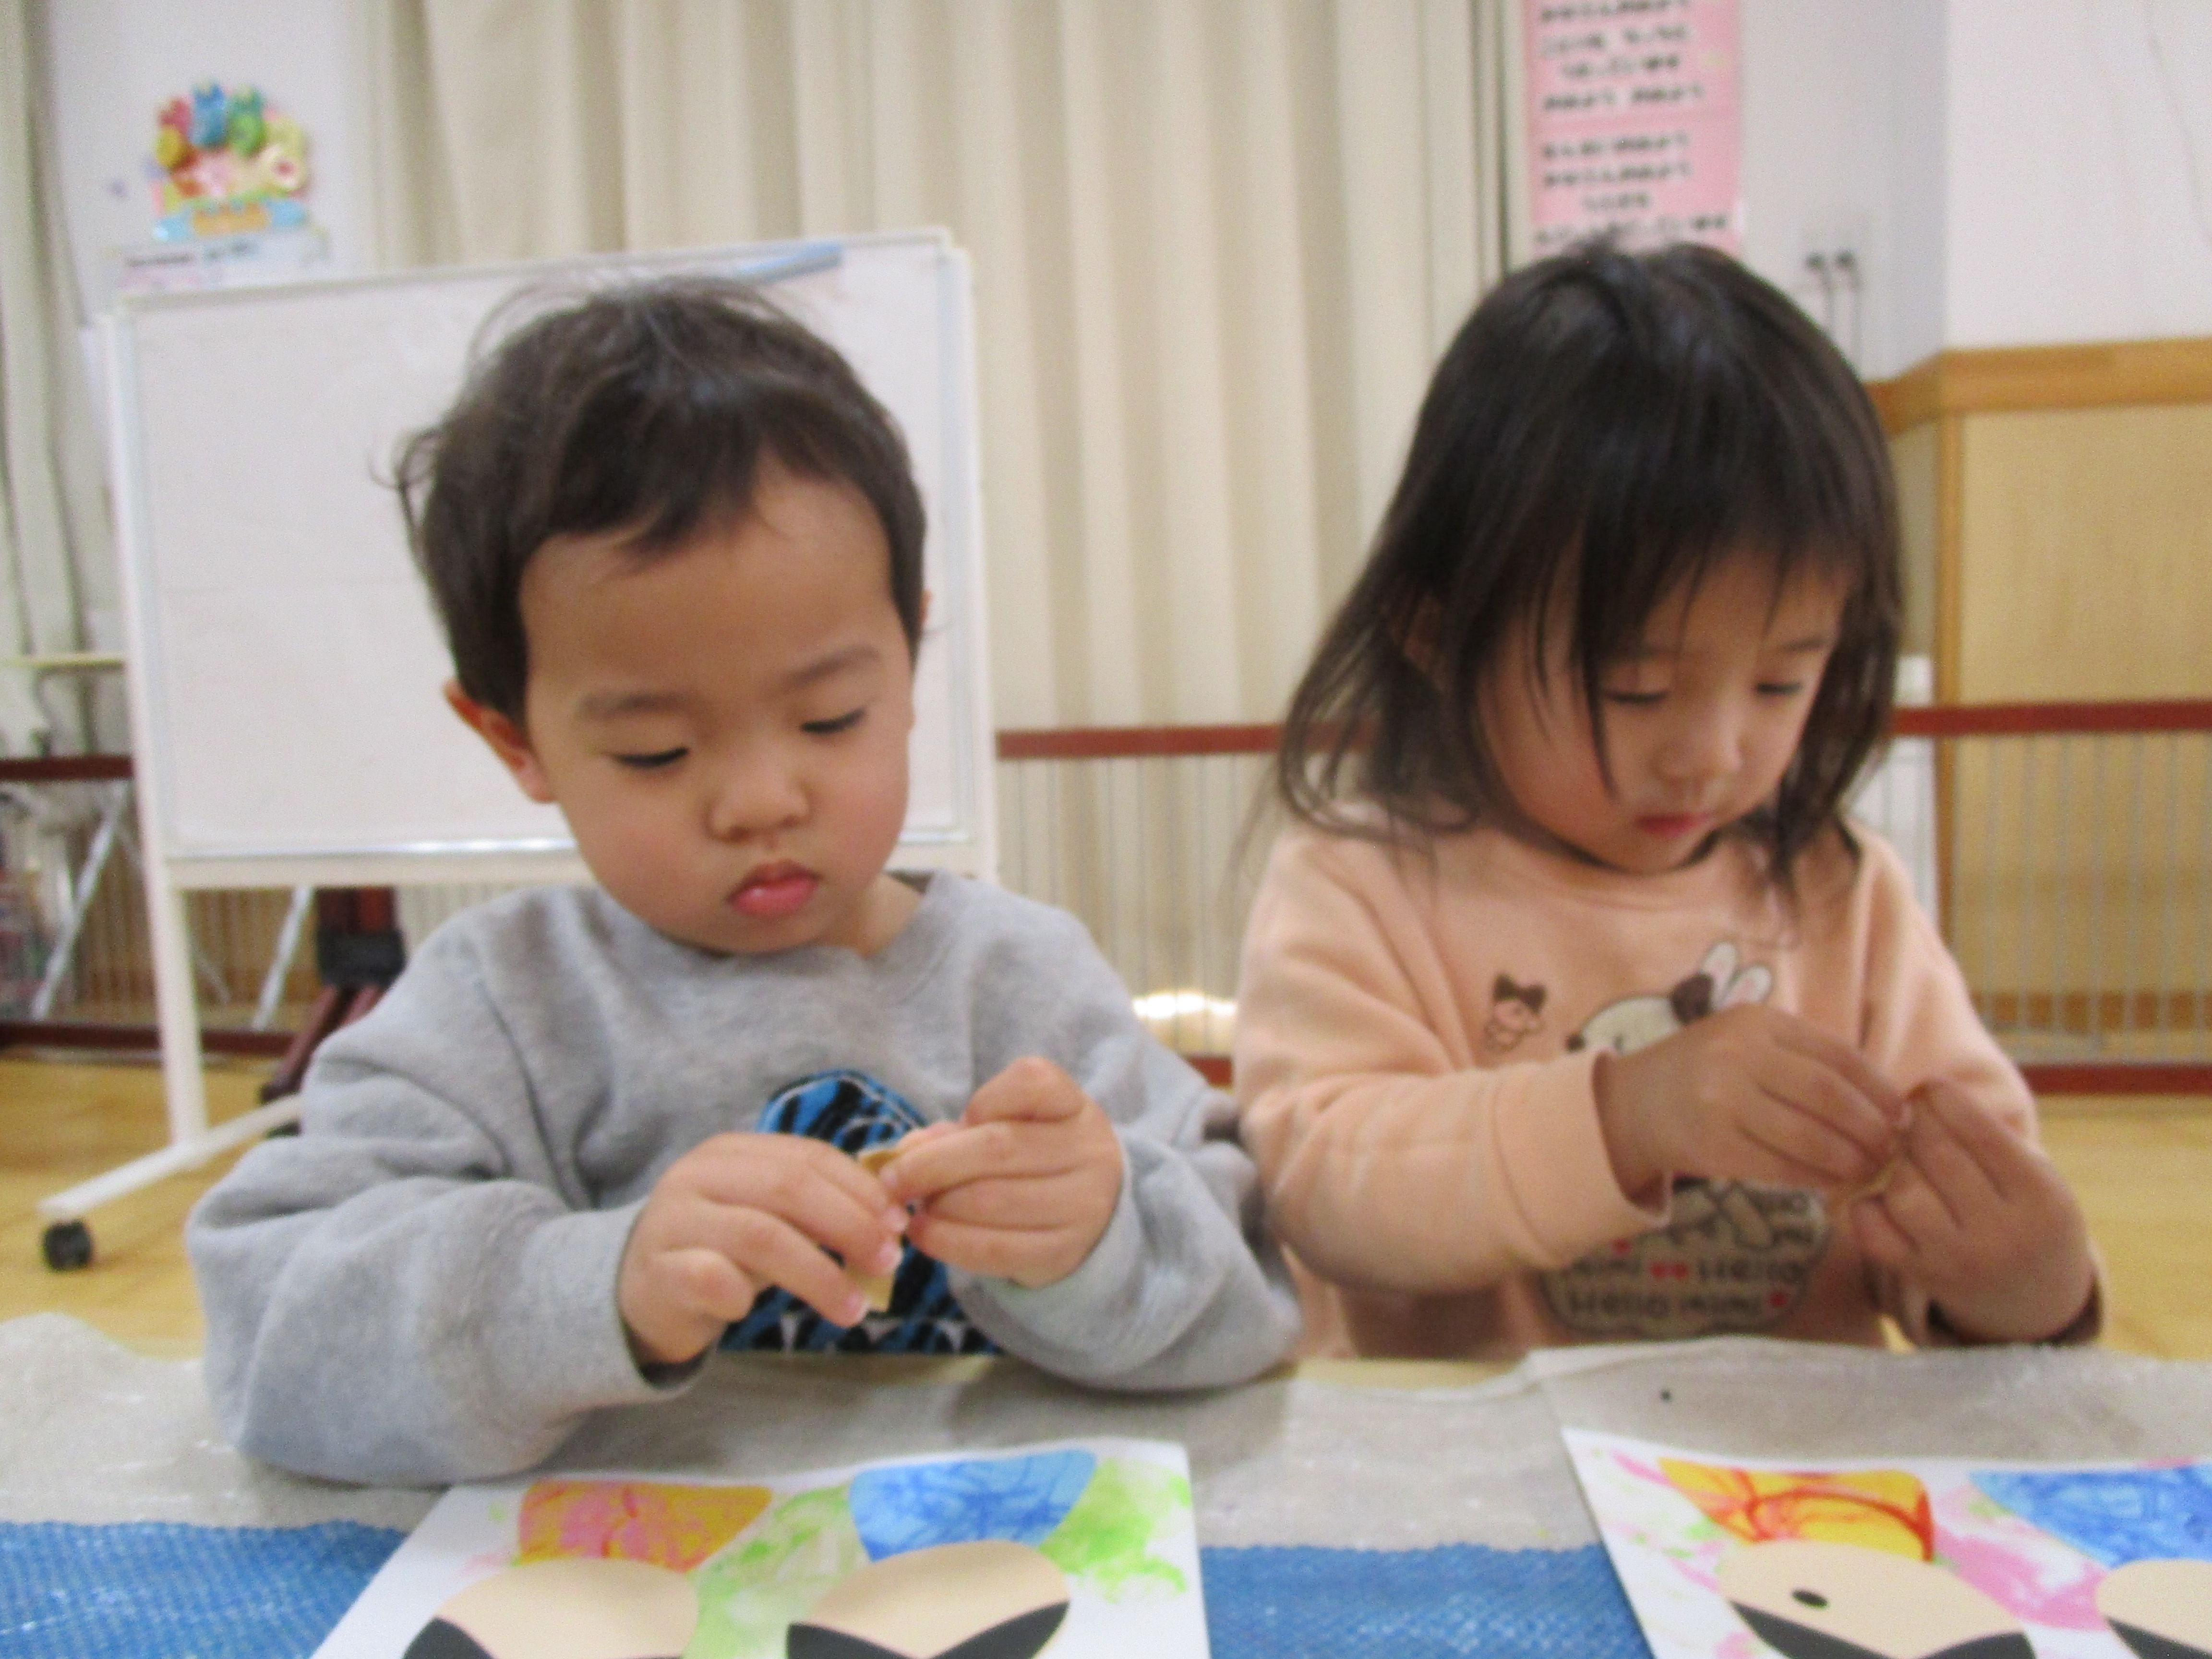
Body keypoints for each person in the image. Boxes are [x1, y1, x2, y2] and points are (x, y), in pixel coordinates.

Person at [189, 278, 1298, 1485]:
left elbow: (1250, 1295)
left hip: (977, 1550)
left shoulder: (1019, 982)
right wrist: (594, 1285)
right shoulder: (501, 1009)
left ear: (908, 663)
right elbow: (270, 1332)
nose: (762, 801)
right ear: (515, 740)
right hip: (617, 1571)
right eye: (656, 752)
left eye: (830, 718)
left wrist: (1100, 1240)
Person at [1233, 242, 2099, 1361]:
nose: (1713, 754)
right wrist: (1625, 1117)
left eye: (1781, 682)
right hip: (1481, 1461)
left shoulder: (1841, 896)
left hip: (1791, 1463)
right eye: (1636, 689)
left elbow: (1972, 1192)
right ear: (1438, 634)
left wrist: (2026, 1286)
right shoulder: (1362, 884)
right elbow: (1321, 1185)